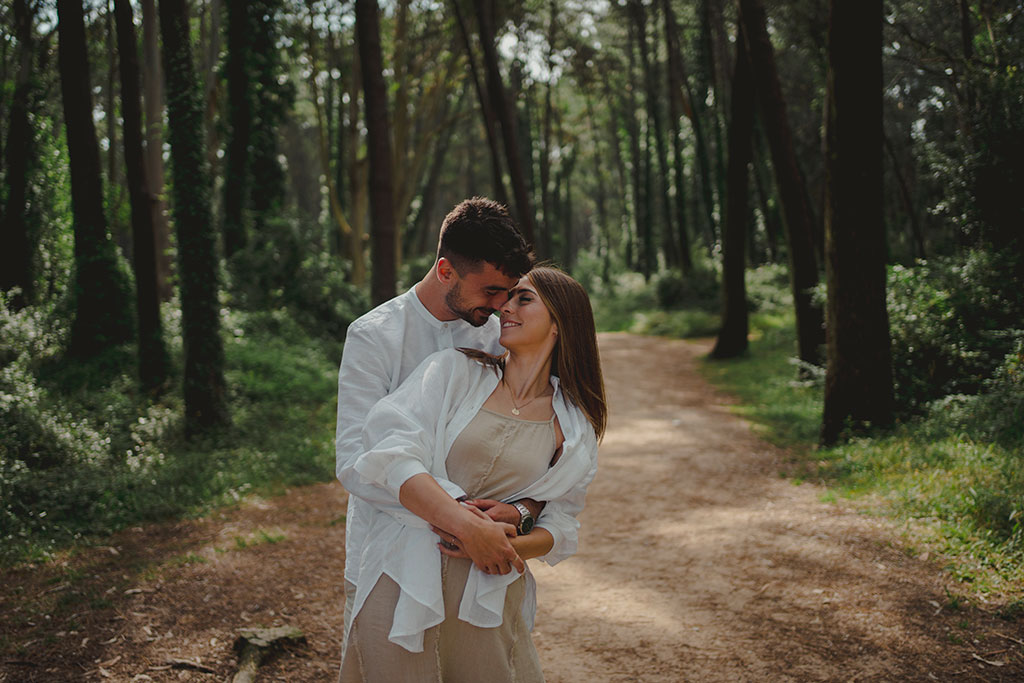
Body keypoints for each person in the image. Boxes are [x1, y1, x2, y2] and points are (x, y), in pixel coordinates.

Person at [338, 266, 606, 681]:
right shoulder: (453, 371)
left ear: (560, 321)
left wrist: (508, 541)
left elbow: (562, 521)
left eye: (523, 298)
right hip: (404, 574)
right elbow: (390, 453)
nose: (505, 307)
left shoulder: (573, 424)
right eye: (506, 297)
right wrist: (469, 527)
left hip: (489, 589)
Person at [335, 198, 547, 647]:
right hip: (390, 553)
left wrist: (524, 511)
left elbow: (539, 442)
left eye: (507, 292)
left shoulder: (501, 335)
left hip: (484, 564)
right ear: (446, 270)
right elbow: (355, 462)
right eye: (490, 290)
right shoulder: (374, 336)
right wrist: (459, 515)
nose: (500, 304)